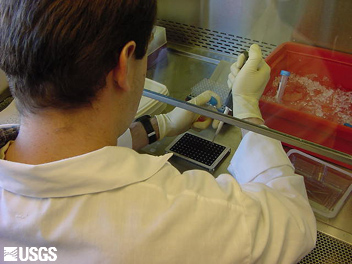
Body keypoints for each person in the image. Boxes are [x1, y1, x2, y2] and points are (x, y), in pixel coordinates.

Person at [0, 0, 316, 263]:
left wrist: (160, 127)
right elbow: (295, 222)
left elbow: (69, 160)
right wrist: (247, 108)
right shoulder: (172, 216)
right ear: (123, 66)